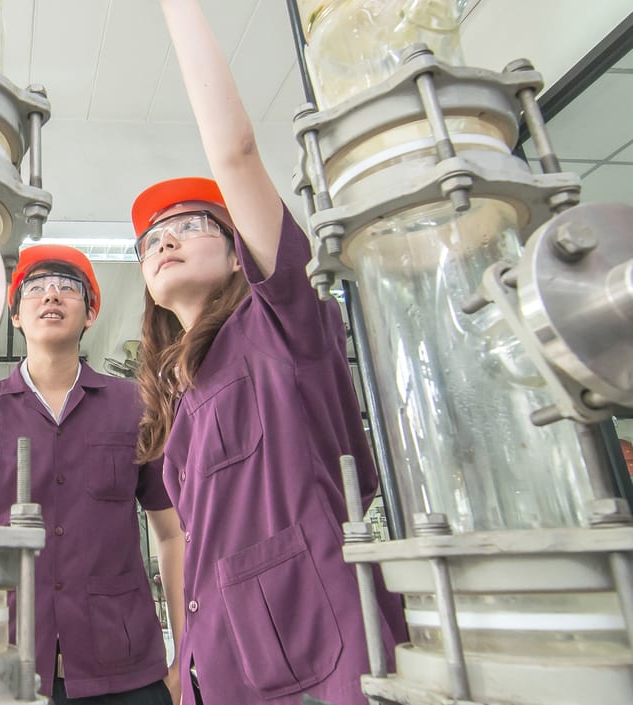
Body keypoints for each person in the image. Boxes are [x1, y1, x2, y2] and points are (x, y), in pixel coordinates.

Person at [130, 2, 408, 704]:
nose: (162, 241)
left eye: (190, 225)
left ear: (237, 257)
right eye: (149, 241)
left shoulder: (281, 322)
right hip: (218, 665)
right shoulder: (181, 394)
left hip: (321, 657)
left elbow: (235, 154)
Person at [0, 245, 187, 705]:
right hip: (0, 661)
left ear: (90, 314)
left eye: (68, 289)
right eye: (37, 289)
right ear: (16, 316)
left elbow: (171, 533)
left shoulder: (135, 405)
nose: (52, 296)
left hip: (123, 669)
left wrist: (183, 658)